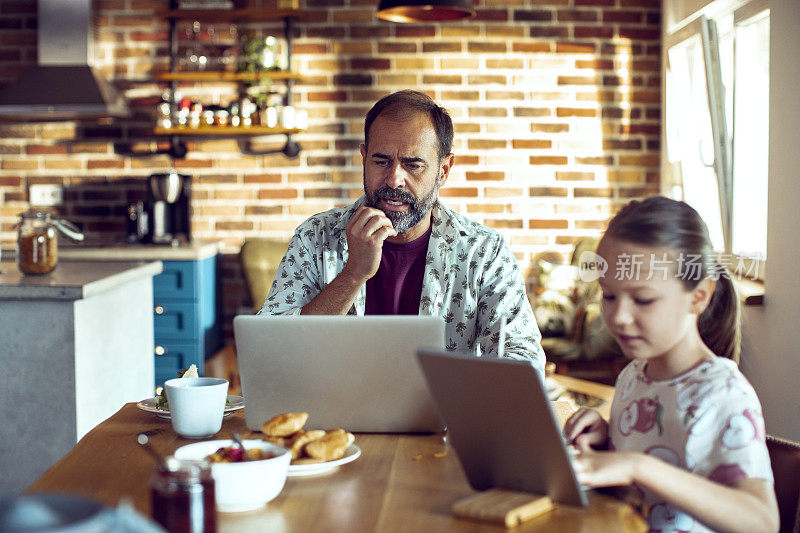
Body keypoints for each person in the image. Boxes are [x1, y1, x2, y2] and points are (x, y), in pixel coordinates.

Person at [259, 89, 544, 370]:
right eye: (381, 161)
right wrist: (354, 273)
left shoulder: (483, 251)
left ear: (443, 171)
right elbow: (271, 351)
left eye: (413, 165)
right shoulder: (315, 236)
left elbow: (523, 355)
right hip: (336, 416)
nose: (394, 179)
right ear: (364, 157)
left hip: (443, 417)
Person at [564, 196, 778, 533]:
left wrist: (637, 466)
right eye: (609, 295)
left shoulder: (723, 393)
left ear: (699, 297)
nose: (618, 317)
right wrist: (607, 435)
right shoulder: (634, 375)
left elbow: (762, 522)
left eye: (643, 299)